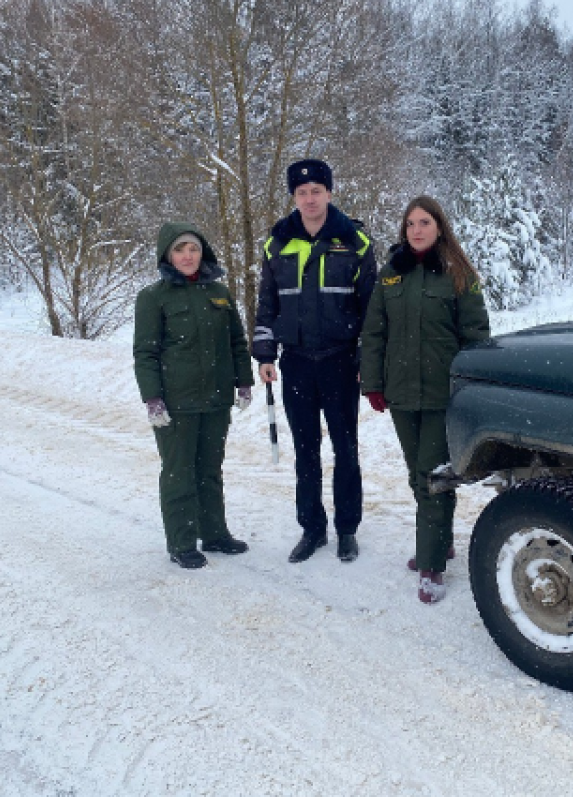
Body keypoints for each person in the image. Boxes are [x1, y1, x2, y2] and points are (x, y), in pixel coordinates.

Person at [360, 196, 490, 603]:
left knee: (433, 477)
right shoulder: (391, 275)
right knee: (419, 473)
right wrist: (374, 383)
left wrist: (470, 387)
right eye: (411, 223)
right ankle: (440, 541)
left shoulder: (459, 275)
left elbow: (476, 337)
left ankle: (431, 563)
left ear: (439, 228)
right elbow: (374, 332)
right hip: (401, 393)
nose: (417, 230)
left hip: (441, 394)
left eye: (425, 223)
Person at [254, 159, 378, 564]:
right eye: (302, 192)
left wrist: (365, 357)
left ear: (329, 193)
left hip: (340, 361)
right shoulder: (277, 242)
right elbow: (267, 304)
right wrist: (265, 353)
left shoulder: (354, 241)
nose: (309, 199)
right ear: (294, 196)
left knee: (346, 447)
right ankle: (312, 528)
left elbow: (371, 310)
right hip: (296, 363)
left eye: (316, 191)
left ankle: (346, 529)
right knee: (305, 448)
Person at [134, 223, 254, 569]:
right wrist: (153, 398)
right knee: (178, 472)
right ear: (167, 255)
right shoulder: (153, 298)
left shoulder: (218, 293)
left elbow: (236, 341)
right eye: (180, 249)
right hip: (176, 404)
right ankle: (182, 542)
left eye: (194, 249)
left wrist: (243, 381)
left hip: (215, 400)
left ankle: (215, 534)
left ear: (203, 253)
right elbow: (145, 353)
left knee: (210, 470)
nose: (188, 256)